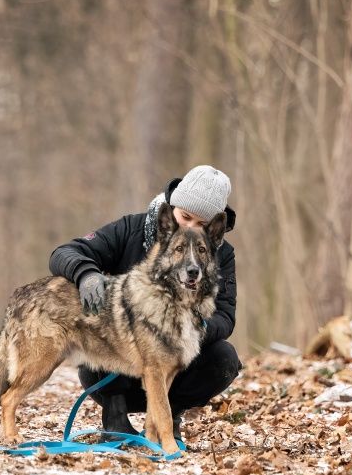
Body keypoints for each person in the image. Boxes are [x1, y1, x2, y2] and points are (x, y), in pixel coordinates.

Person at [49, 165, 241, 441]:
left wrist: (186, 329)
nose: (189, 228)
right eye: (185, 216)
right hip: (118, 366)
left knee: (224, 357)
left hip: (176, 367)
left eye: (201, 224)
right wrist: (86, 274)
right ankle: (114, 418)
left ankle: (166, 419)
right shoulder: (131, 228)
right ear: (172, 206)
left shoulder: (223, 254)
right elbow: (64, 252)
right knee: (97, 323)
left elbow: (225, 316)